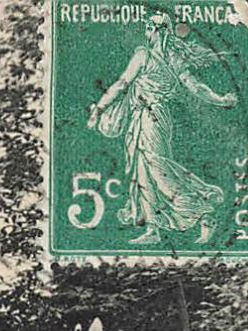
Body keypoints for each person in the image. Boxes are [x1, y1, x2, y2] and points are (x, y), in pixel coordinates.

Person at [87, 12, 238, 245]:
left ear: (158, 31)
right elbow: (195, 87)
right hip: (148, 118)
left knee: (157, 170)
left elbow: (122, 84)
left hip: (152, 118)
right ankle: (152, 229)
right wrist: (221, 100)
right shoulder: (170, 59)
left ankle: (203, 213)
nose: (147, 33)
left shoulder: (145, 56)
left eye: (149, 28)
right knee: (143, 171)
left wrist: (99, 109)